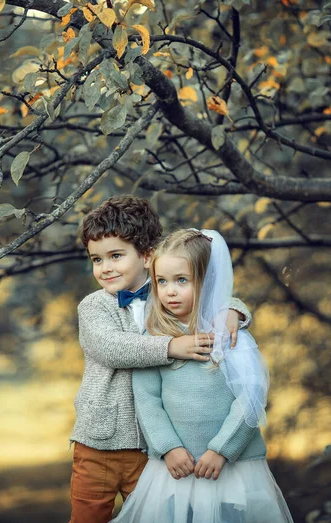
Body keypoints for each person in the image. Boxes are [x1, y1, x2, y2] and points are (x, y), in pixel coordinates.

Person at [70, 197, 253, 523]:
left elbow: (204, 293)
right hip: (102, 442)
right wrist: (171, 346)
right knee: (88, 517)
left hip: (156, 446)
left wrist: (234, 310)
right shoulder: (94, 306)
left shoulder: (165, 295)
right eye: (96, 260)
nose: (105, 268)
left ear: (147, 255)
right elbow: (113, 348)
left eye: (115, 256)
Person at [112, 229, 293, 523]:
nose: (169, 291)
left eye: (181, 280)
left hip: (233, 467)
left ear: (207, 280)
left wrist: (221, 450)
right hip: (175, 467)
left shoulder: (229, 334)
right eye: (161, 281)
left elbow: (250, 397)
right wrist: (168, 448)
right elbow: (147, 400)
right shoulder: (156, 337)